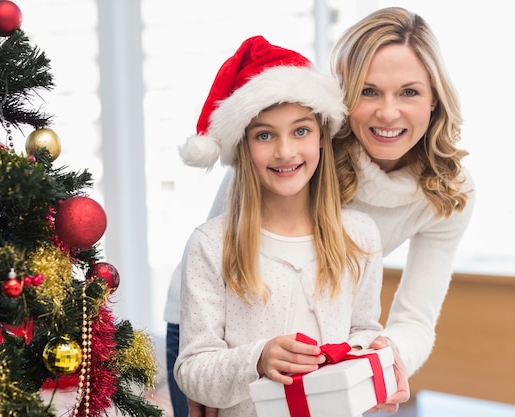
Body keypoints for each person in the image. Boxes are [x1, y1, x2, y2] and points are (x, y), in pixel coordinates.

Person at [165, 6, 476, 416]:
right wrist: (216, 379)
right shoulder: (292, 152)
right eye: (368, 90)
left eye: (409, 91)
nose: (387, 112)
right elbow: (224, 249)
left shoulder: (449, 191)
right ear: (345, 95)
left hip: (318, 354)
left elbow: (411, 317)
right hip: (217, 329)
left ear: (435, 98)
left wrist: (381, 362)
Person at [172, 35, 385, 417]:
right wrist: (258, 359)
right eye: (265, 135)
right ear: (243, 146)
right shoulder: (211, 244)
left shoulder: (359, 236)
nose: (285, 151)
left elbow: (365, 330)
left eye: (300, 131)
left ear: (322, 137)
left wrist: (376, 351)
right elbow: (192, 369)